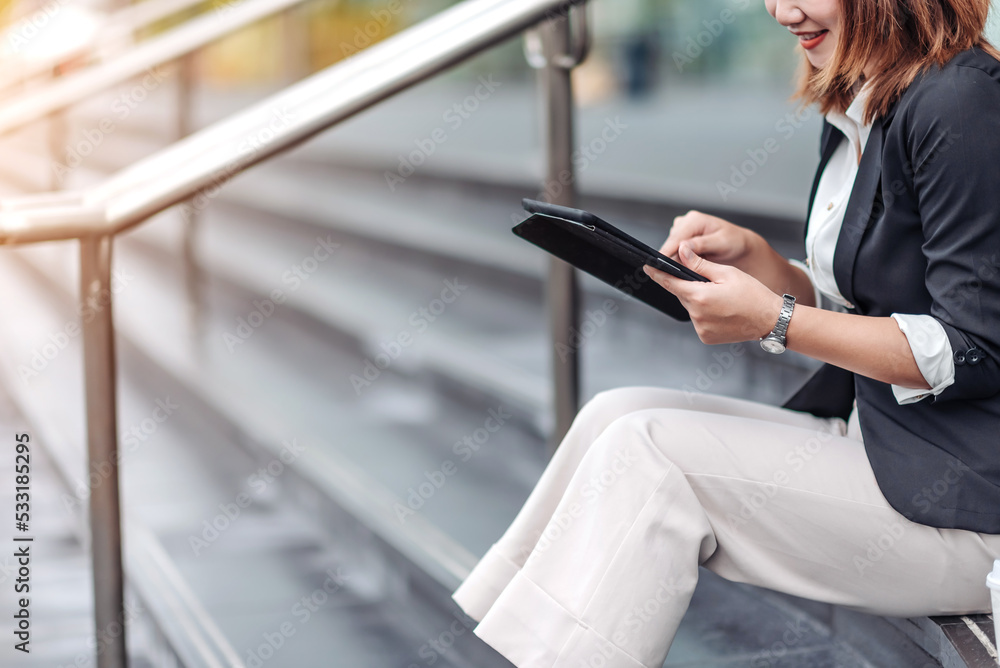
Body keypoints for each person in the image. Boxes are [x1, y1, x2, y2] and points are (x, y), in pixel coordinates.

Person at [452, 1, 1000, 666]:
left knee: (650, 450)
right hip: (892, 446)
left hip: (965, 507)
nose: (782, 10)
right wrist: (763, 266)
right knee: (614, 413)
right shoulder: (861, 103)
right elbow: (877, 299)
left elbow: (974, 347)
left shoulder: (962, 105)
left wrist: (776, 322)